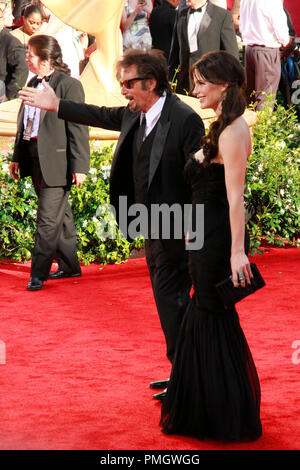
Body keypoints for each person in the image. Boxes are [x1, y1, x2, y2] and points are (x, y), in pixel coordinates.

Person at [18, 48, 205, 396]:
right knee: (170, 303)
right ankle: (183, 372)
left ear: (150, 82)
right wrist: (56, 105)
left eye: (128, 84)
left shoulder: (183, 118)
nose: (123, 91)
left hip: (176, 227)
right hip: (150, 224)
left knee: (174, 301)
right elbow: (100, 114)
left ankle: (188, 377)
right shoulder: (136, 114)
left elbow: (199, 178)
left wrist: (193, 229)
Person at [160, 50, 262, 441]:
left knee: (211, 313)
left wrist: (238, 252)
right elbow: (206, 188)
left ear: (222, 85)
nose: (195, 89)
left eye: (202, 82)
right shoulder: (220, 125)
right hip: (203, 233)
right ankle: (208, 405)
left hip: (220, 238)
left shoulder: (235, 131)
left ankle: (220, 411)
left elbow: (235, 198)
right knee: (203, 310)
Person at [9, 34, 90, 291]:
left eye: (30, 54)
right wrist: (17, 156)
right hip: (33, 157)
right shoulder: (32, 80)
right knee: (60, 216)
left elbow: (78, 127)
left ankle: (38, 273)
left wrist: (80, 166)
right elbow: (25, 122)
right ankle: (69, 265)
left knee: (46, 219)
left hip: (57, 161)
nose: (26, 58)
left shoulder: (68, 85)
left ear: (44, 59)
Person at [168, 0, 239, 94]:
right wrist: (170, 79)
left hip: (210, 83)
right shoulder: (181, 14)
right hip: (184, 84)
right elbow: (175, 52)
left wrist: (230, 87)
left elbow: (231, 55)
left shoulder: (222, 15)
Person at [239, 0, 290, 110]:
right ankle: (261, 126)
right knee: (265, 98)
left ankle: (252, 126)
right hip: (266, 49)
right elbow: (278, 23)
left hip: (250, 47)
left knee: (252, 97)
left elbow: (241, 23)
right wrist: (285, 41)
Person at [0, 4, 28, 101]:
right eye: (9, 14)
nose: (13, 17)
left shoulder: (11, 42)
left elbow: (22, 69)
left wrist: (9, 94)